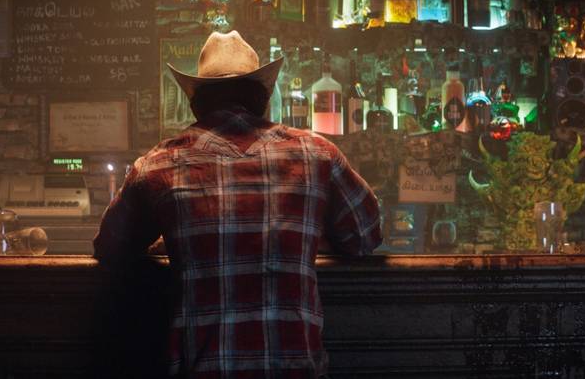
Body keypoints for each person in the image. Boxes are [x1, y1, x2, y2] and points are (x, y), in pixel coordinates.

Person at [94, 31, 382, 379]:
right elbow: (365, 236)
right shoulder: (317, 154)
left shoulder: (157, 164)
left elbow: (110, 246)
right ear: (261, 97)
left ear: (195, 102)